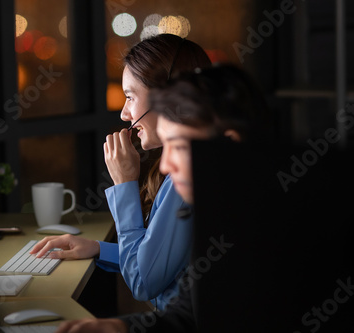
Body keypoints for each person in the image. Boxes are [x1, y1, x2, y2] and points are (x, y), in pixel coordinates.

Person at [53, 63, 274, 332]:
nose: (166, 165)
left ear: (229, 144)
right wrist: (117, 328)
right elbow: (185, 317)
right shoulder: (222, 217)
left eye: (178, 146)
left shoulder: (275, 230)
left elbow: (146, 282)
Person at [30, 33, 212, 311]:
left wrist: (125, 183)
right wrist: (99, 248)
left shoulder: (184, 177)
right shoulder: (190, 162)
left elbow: (143, 281)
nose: (124, 114)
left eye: (130, 97)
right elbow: (163, 258)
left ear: (164, 99)